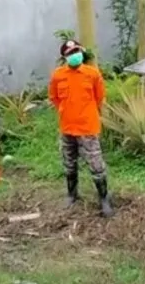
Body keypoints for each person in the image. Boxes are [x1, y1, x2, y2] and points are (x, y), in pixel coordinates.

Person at [48, 39, 113, 217]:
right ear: (64, 57)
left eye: (76, 51)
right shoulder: (58, 75)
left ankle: (104, 199)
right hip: (67, 127)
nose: (74, 55)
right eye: (70, 54)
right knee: (69, 163)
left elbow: (100, 98)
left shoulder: (92, 74)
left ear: (81, 52)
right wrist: (65, 110)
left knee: (96, 165)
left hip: (88, 128)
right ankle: (72, 195)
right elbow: (54, 97)